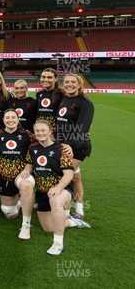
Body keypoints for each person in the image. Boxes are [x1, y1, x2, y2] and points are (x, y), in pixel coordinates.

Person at [19, 120, 91, 255]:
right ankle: (73, 222)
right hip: (42, 193)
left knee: (55, 199)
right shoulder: (33, 148)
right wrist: (26, 171)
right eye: (37, 131)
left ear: (50, 131)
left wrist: (58, 188)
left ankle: (58, 243)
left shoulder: (61, 149)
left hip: (62, 191)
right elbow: (30, 164)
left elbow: (69, 174)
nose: (40, 133)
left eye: (43, 130)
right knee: (48, 227)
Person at [56, 73, 95, 218]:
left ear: (80, 85)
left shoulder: (85, 103)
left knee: (65, 175)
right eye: (67, 82)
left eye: (73, 82)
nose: (70, 84)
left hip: (78, 147)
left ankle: (67, 211)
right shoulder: (64, 98)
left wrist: (71, 146)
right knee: (75, 177)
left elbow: (83, 128)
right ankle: (79, 209)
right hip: (62, 145)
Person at [36, 68, 62, 132]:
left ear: (56, 79)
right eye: (43, 77)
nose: (46, 80)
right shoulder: (39, 94)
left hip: (56, 130)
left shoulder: (61, 94)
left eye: (49, 77)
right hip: (41, 130)